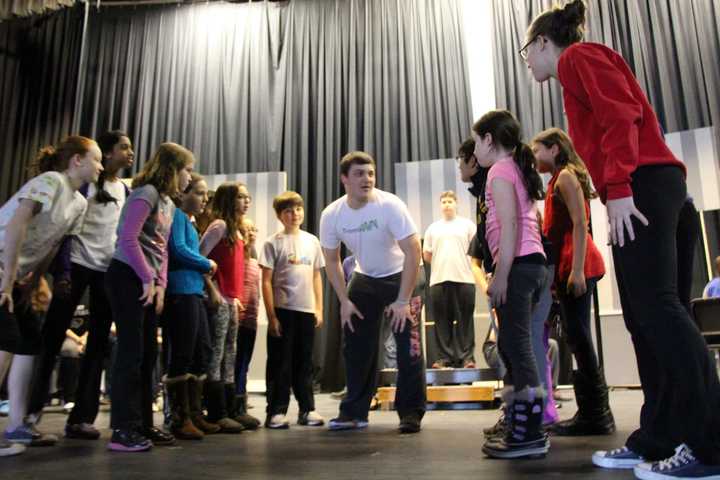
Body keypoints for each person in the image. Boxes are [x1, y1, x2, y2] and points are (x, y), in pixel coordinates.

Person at [523, 1, 720, 476]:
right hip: (651, 184)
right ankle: (659, 436)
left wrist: (620, 188)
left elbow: (622, 116)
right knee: (644, 316)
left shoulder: (577, 58)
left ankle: (711, 444)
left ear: (544, 43)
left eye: (527, 50)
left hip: (644, 184)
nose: (527, 60)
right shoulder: (578, 67)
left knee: (658, 310)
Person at [27, 130, 134, 441]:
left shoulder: (124, 190)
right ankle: (31, 411)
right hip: (75, 267)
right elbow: (66, 230)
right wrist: (62, 273)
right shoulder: (85, 185)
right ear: (107, 152)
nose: (129, 153)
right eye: (123, 147)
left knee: (99, 343)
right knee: (52, 338)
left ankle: (81, 418)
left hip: (106, 272)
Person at [0, 136, 101, 455]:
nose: (99, 166)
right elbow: (17, 223)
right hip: (1, 267)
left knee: (30, 343)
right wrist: (6, 282)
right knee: (5, 343)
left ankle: (18, 425)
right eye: (96, 159)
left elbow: (53, 244)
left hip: (15, 278)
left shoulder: (80, 203)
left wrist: (27, 286)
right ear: (77, 161)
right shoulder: (51, 182)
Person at [320, 151, 426, 434]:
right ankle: (354, 412)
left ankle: (410, 412)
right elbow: (331, 260)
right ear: (344, 179)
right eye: (359, 174)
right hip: (365, 278)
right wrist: (343, 301)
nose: (367, 179)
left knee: (409, 348)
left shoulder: (389, 205)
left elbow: (413, 251)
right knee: (356, 344)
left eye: (370, 173)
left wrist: (403, 300)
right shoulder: (332, 215)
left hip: (404, 275)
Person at [105, 142, 194, 452]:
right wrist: (146, 277)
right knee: (130, 353)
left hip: (147, 282)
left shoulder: (169, 203)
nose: (189, 177)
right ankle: (121, 429)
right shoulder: (146, 194)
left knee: (147, 357)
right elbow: (127, 238)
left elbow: (162, 251)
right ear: (172, 169)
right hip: (126, 275)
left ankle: (143, 423)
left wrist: (159, 284)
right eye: (187, 170)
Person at [470, 110, 548, 459]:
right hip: (528, 264)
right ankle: (522, 422)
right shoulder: (513, 168)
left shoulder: (500, 171)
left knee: (517, 346)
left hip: (518, 267)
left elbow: (511, 227)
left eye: (476, 142)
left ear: (489, 139)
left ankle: (530, 432)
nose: (474, 150)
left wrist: (500, 275)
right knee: (512, 345)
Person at [532, 127, 613, 436]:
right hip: (568, 265)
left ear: (554, 149)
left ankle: (596, 414)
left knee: (579, 335)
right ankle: (595, 412)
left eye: (538, 150)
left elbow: (581, 223)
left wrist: (577, 270)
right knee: (577, 337)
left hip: (578, 263)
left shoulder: (565, 177)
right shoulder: (556, 180)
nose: (535, 156)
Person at [260, 191, 325, 429]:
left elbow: (317, 275)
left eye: (298, 209)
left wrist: (319, 307)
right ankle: (276, 411)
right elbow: (266, 280)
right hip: (283, 309)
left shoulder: (312, 241)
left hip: (306, 310)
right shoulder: (272, 242)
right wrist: (272, 315)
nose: (294, 214)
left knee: (304, 362)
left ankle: (307, 409)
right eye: (288, 210)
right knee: (280, 362)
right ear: (280, 215)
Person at [164, 172, 219, 440]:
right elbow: (178, 250)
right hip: (180, 291)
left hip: (194, 292)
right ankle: (178, 417)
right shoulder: (175, 216)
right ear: (182, 194)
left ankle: (195, 413)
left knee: (202, 352)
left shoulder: (189, 222)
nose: (204, 198)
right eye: (198, 192)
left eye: (205, 194)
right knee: (183, 353)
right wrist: (206, 263)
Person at [199, 182, 249, 434]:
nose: (246, 201)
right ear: (229, 200)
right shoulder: (218, 226)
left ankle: (231, 408)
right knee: (217, 352)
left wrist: (235, 296)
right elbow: (199, 257)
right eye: (241, 197)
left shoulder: (237, 231)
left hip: (232, 300)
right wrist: (212, 289)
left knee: (231, 351)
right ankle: (216, 411)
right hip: (218, 300)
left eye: (247, 197)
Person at [423, 191, 477, 369]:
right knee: (441, 321)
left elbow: (476, 251)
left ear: (456, 204)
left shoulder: (467, 225)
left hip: (465, 279)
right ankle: (443, 359)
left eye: (450, 201)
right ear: (440, 205)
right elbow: (427, 254)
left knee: (465, 321)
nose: (447, 204)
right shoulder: (433, 228)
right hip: (439, 280)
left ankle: (467, 358)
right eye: (443, 201)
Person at [232, 217, 262, 430]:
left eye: (254, 229)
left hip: (250, 318)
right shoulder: (236, 254)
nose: (251, 233)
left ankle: (240, 404)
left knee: (244, 363)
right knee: (234, 364)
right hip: (237, 316)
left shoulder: (254, 256)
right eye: (247, 229)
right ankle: (234, 407)